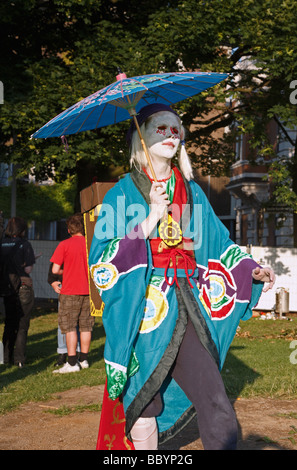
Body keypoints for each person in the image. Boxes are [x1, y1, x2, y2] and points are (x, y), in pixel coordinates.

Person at [89, 103, 275, 450]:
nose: (171, 135)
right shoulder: (121, 194)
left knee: (215, 400)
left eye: (176, 129)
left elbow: (218, 242)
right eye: (161, 127)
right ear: (140, 136)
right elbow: (103, 259)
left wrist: (251, 269)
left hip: (188, 305)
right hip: (144, 311)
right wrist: (150, 219)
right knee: (145, 402)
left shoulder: (192, 192)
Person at [50, 213, 93, 373]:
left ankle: (72, 362)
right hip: (88, 291)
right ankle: (84, 359)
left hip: (70, 292)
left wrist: (65, 270)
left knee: (69, 328)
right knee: (86, 327)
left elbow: (55, 269)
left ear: (69, 230)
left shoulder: (64, 245)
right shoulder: (91, 244)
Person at [1, 217, 35, 367]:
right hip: (23, 287)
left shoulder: (1, 243)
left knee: (9, 323)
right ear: (22, 230)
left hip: (7, 288)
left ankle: (5, 357)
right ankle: (19, 359)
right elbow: (28, 269)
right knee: (22, 325)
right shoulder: (25, 244)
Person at [47, 263, 81, 366]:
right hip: (65, 288)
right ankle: (63, 354)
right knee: (63, 325)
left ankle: (78, 354)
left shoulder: (84, 251)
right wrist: (53, 282)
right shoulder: (62, 252)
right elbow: (52, 273)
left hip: (79, 288)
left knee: (78, 324)